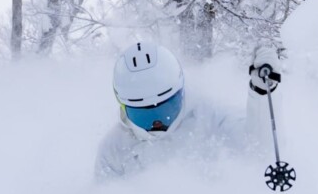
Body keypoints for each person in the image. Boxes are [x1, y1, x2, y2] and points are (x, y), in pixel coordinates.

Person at [95, 37, 249, 180]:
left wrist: (261, 95)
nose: (157, 123)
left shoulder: (209, 117)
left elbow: (255, 145)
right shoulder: (114, 150)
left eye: (166, 109)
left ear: (181, 92)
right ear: (123, 107)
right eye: (142, 114)